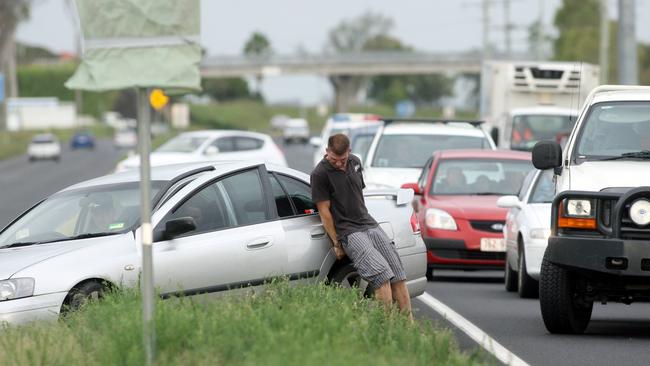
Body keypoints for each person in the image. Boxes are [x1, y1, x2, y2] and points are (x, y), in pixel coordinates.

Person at [311, 134, 412, 319]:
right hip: (349, 231)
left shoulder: (355, 162)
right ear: (327, 152)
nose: (339, 164)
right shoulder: (320, 174)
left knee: (398, 273)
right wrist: (336, 242)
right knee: (381, 275)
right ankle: (385, 329)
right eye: (334, 160)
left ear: (349, 152)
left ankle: (409, 326)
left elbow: (357, 195)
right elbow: (324, 213)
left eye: (342, 160)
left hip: (368, 223)